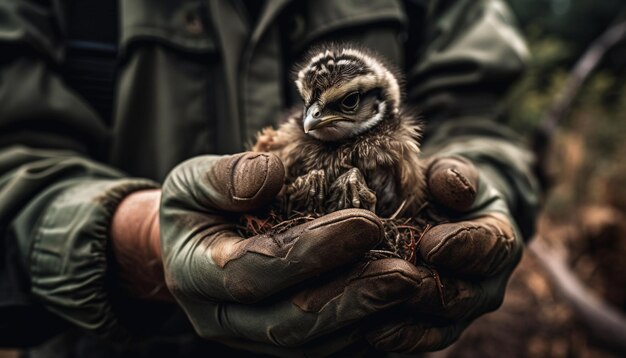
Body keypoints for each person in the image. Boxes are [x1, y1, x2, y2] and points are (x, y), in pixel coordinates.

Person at [0, 0, 540, 356]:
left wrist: (477, 189)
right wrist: (136, 241)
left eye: (345, 105)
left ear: (381, 102)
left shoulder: (398, 146)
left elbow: (483, 119)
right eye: (311, 107)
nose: (311, 120)